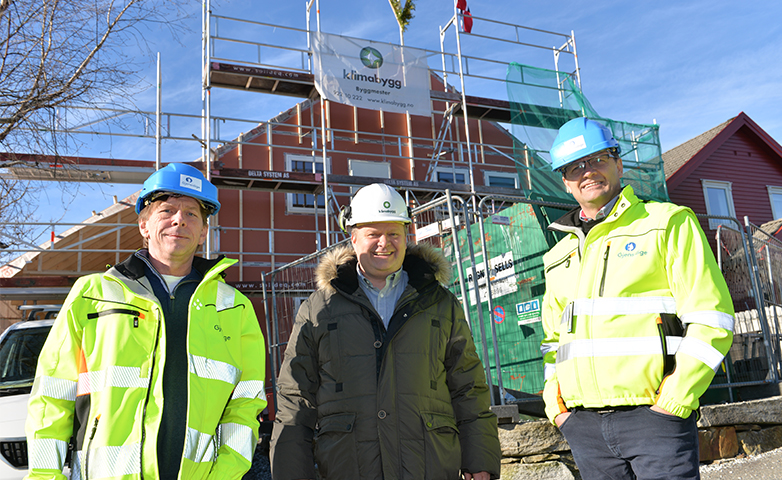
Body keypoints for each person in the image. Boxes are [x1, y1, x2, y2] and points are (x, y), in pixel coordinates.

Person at [26, 163, 267, 479]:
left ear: (204, 232)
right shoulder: (94, 293)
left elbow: (245, 404)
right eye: (166, 210)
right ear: (143, 225)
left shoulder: (234, 308)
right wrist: (46, 475)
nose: (179, 219)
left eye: (192, 214)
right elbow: (52, 395)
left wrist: (225, 473)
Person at [540, 118, 735, 480]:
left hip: (655, 420)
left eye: (598, 158)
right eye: (576, 166)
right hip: (583, 426)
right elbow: (554, 341)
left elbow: (713, 318)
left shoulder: (667, 223)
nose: (588, 171)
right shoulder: (557, 255)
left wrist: (674, 399)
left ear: (618, 163)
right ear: (565, 182)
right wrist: (557, 408)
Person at [270, 183, 501, 480]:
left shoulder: (440, 303)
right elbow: (295, 397)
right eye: (373, 234)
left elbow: (469, 387)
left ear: (407, 237)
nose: (385, 243)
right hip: (349, 468)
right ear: (353, 238)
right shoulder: (318, 309)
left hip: (429, 467)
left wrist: (479, 460)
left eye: (394, 233)